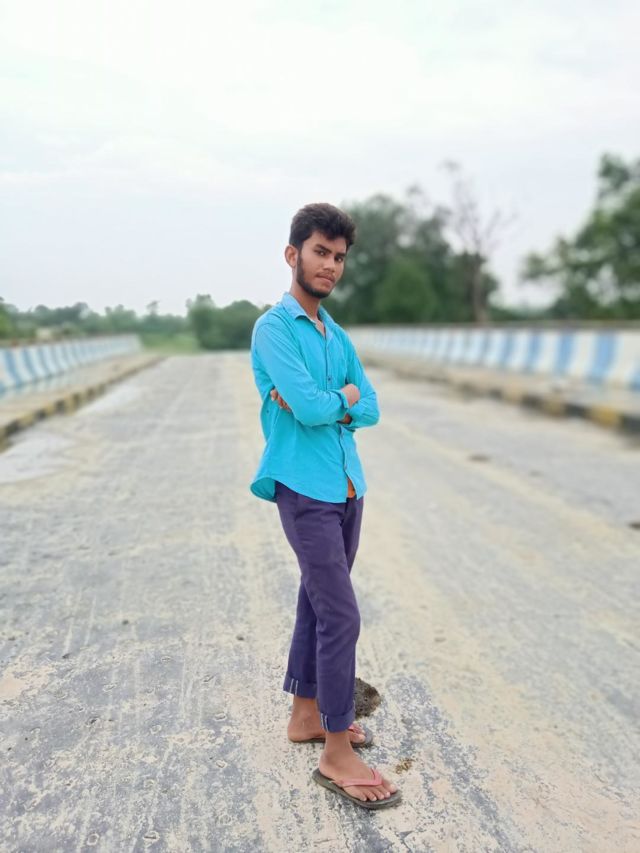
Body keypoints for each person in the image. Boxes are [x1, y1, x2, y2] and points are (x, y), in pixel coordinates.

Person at [249, 202, 401, 809]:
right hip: (303, 490)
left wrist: (331, 399)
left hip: (346, 488)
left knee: (317, 604)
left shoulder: (336, 335)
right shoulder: (274, 329)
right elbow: (315, 408)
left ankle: (306, 716)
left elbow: (371, 408)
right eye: (320, 252)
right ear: (293, 254)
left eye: (338, 257)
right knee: (342, 616)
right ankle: (337, 751)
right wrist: (340, 398)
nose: (330, 265)